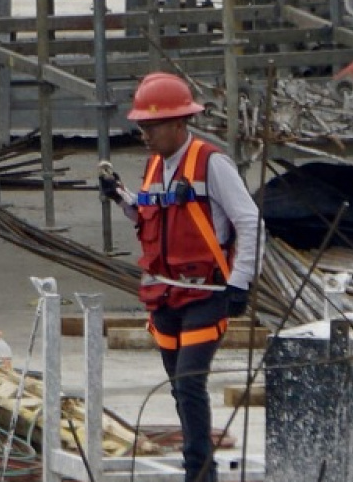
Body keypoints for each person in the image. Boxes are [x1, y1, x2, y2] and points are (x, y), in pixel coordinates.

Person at [100, 73, 262, 482]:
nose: (144, 135)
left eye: (151, 127)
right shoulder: (156, 165)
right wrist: (121, 197)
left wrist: (241, 282)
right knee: (178, 386)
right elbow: (153, 217)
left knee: (190, 382)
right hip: (164, 296)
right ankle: (199, 467)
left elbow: (250, 221)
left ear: (178, 124)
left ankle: (199, 473)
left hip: (206, 295)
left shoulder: (212, 164)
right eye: (141, 127)